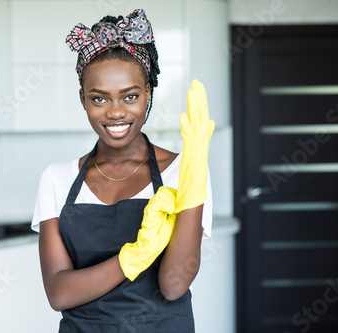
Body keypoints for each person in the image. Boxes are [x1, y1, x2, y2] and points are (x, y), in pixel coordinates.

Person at [31, 8, 215, 332]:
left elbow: (173, 284)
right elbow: (59, 293)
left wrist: (195, 171)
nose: (116, 112)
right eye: (99, 99)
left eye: (130, 96)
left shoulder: (183, 172)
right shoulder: (57, 179)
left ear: (148, 93)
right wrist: (132, 258)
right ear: (82, 99)